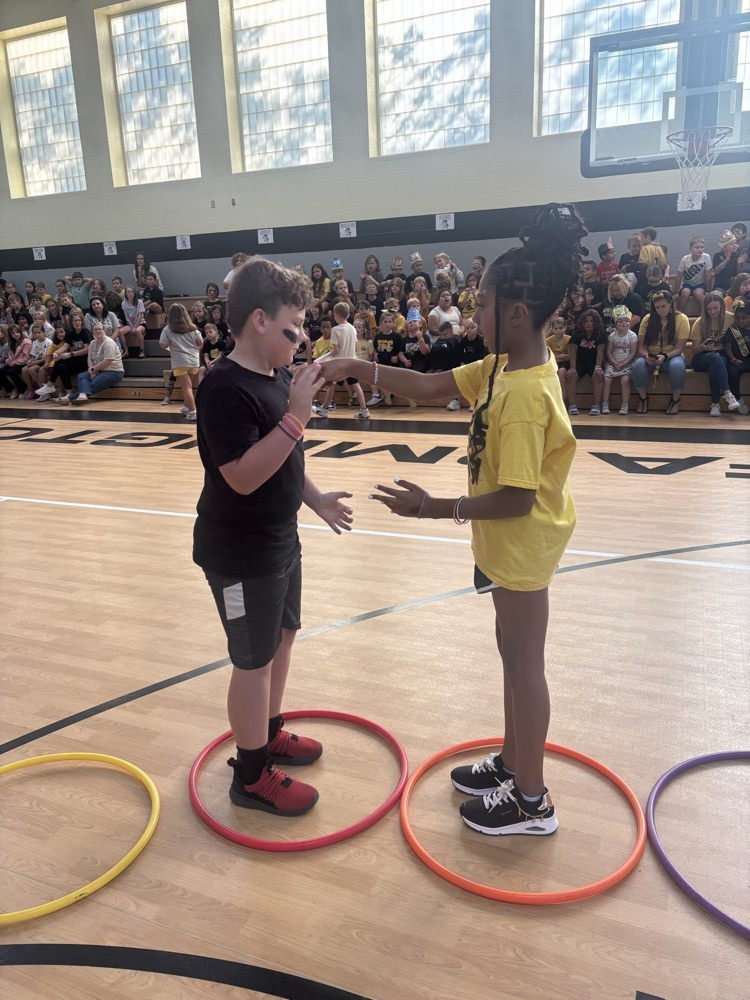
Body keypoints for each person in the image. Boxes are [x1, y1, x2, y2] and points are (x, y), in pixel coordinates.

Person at [321, 203, 584, 837]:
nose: (474, 317)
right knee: (510, 655)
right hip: (503, 543)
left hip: (520, 542)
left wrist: (434, 507)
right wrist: (359, 367)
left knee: (525, 665)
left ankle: (532, 800)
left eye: (482, 306)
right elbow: (434, 387)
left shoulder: (523, 394)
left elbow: (519, 498)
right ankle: (513, 763)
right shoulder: (503, 365)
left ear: (515, 314)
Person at [193, 257, 352, 817]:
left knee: (282, 639)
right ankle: (252, 774)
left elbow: (286, 462)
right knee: (253, 661)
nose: (301, 337)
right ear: (259, 320)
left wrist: (316, 498)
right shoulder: (222, 388)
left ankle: (269, 731)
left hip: (281, 540)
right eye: (293, 327)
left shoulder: (276, 377)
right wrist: (296, 419)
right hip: (239, 553)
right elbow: (240, 475)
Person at [631, 290, 689, 415]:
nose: (660, 310)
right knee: (638, 365)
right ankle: (643, 398)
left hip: (672, 356)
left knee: (677, 366)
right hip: (651, 356)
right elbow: (641, 347)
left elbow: (679, 348)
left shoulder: (681, 319)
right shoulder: (647, 319)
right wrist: (646, 356)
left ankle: (675, 400)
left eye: (663, 306)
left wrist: (665, 356)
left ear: (671, 305)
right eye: (657, 307)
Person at [690, 291, 740, 416]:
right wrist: (703, 347)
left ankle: (715, 405)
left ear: (722, 306)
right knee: (715, 358)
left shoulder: (730, 318)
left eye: (715, 308)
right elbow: (695, 350)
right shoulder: (700, 322)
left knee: (716, 365)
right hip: (702, 356)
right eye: (709, 309)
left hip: (721, 354)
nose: (712, 312)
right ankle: (727, 393)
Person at [55, 321, 125, 405]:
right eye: (95, 330)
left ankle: (68, 398)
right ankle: (81, 396)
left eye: (100, 329)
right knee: (82, 376)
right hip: (99, 370)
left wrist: (93, 369)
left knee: (91, 385)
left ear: (104, 330)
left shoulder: (108, 343)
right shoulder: (93, 342)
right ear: (93, 332)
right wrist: (92, 370)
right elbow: (89, 358)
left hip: (113, 371)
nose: (98, 331)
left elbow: (107, 361)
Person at [320, 302, 370, 418]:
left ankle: (324, 409)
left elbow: (335, 352)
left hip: (340, 364)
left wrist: (323, 358)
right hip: (352, 362)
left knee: (332, 383)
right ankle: (364, 409)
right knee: (356, 385)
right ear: (348, 315)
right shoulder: (353, 328)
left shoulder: (336, 330)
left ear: (335, 315)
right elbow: (356, 348)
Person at [159, 303, 203, 421]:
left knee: (186, 387)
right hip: (194, 361)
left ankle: (193, 411)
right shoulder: (193, 328)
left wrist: (172, 345)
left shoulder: (168, 329)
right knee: (187, 386)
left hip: (179, 362)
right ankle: (188, 408)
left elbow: (162, 344)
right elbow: (200, 342)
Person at [35, 310, 91, 401]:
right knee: (61, 366)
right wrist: (56, 353)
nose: (77, 322)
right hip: (75, 360)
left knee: (61, 362)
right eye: (74, 320)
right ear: (71, 322)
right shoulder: (71, 335)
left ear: (82, 321)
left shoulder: (85, 332)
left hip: (85, 360)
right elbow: (65, 346)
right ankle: (69, 393)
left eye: (78, 320)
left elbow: (87, 350)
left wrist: (70, 354)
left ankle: (50, 385)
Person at [566, 308, 605, 416]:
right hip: (580, 361)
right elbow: (573, 351)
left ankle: (596, 405)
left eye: (592, 321)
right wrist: (572, 367)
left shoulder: (600, 333)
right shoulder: (577, 333)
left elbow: (600, 351)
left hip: (594, 362)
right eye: (586, 321)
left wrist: (598, 367)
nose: (589, 324)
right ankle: (572, 405)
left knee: (598, 376)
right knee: (571, 375)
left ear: (596, 323)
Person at [602, 305, 638, 415]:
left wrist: (623, 363)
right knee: (607, 380)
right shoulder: (612, 336)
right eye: (620, 321)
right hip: (613, 362)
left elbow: (633, 352)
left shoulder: (632, 336)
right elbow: (608, 351)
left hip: (627, 363)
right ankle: (605, 403)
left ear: (630, 323)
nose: (623, 323)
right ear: (616, 324)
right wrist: (614, 362)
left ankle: (624, 404)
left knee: (625, 380)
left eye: (626, 321)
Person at [724, 298, 750, 414]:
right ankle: (738, 400)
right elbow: (727, 347)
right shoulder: (732, 330)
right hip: (737, 362)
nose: (740, 321)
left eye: (744, 318)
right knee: (732, 373)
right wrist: (732, 358)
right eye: (738, 318)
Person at [369, 311, 401, 407]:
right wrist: (375, 354)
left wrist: (397, 357)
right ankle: (382, 394)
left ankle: (388, 394)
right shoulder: (379, 336)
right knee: (376, 376)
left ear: (393, 323)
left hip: (392, 364)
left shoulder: (396, 336)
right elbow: (375, 348)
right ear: (381, 323)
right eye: (385, 322)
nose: (388, 324)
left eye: (390, 322)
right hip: (381, 363)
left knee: (390, 378)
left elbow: (401, 350)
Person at [428, 321, 462, 410]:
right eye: (440, 335)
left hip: (450, 368)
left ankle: (455, 400)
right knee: (428, 376)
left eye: (445, 335)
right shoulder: (438, 342)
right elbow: (432, 356)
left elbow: (457, 357)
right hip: (438, 367)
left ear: (451, 333)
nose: (442, 337)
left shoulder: (455, 342)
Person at [676, 237, 711, 312]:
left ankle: (705, 314)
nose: (700, 249)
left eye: (702, 247)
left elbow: (708, 275)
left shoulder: (706, 257)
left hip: (700, 284)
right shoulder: (685, 259)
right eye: (697, 247)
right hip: (687, 284)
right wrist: (676, 292)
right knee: (685, 292)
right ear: (690, 249)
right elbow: (679, 276)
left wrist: (708, 290)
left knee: (698, 293)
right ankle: (680, 314)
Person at [20, 323, 52, 398]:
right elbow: (33, 356)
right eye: (35, 333)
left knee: (31, 369)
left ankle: (44, 390)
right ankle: (31, 390)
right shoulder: (35, 342)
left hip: (45, 362)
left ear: (44, 332)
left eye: (39, 332)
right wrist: (30, 361)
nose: (37, 334)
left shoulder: (49, 342)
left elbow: (48, 357)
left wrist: (35, 362)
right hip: (36, 362)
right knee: (24, 369)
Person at [0, 324, 32, 398]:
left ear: (20, 332)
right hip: (13, 363)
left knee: (11, 372)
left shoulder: (27, 342)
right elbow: (10, 355)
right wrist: (10, 361)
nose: (15, 334)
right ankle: (12, 388)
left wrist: (14, 362)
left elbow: (26, 357)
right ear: (10, 335)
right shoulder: (11, 343)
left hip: (22, 363)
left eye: (17, 332)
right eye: (13, 333)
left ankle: (23, 389)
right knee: (1, 372)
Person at [545, 313, 571, 402]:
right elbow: (548, 357)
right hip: (552, 363)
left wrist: (558, 357)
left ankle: (563, 396)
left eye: (560, 328)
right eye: (555, 329)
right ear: (552, 329)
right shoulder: (548, 340)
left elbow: (569, 357)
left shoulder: (569, 339)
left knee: (562, 371)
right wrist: (562, 356)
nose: (558, 331)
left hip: (565, 364)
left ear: (565, 328)